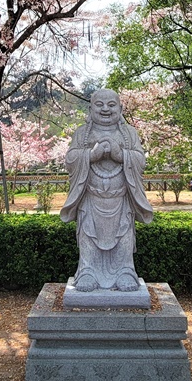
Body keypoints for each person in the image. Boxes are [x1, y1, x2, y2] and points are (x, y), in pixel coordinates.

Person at [60, 89, 153, 292]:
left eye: (111, 105)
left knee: (124, 236)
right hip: (91, 200)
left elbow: (140, 160)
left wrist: (122, 155)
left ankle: (125, 271)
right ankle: (87, 271)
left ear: (120, 108)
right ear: (91, 108)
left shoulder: (129, 134)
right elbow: (70, 160)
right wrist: (90, 156)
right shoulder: (82, 134)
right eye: (99, 104)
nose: (105, 109)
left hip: (121, 200)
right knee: (88, 236)